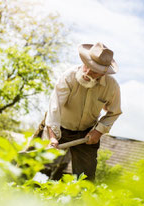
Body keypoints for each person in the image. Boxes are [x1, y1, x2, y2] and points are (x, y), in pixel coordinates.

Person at [41, 42, 122, 181]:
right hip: (58, 127)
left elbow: (114, 113)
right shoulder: (68, 77)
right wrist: (53, 137)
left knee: (85, 179)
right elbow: (55, 108)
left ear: (103, 72)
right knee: (41, 167)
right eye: (87, 66)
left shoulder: (112, 87)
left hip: (86, 134)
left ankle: (79, 201)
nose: (88, 72)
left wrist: (98, 131)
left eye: (94, 70)